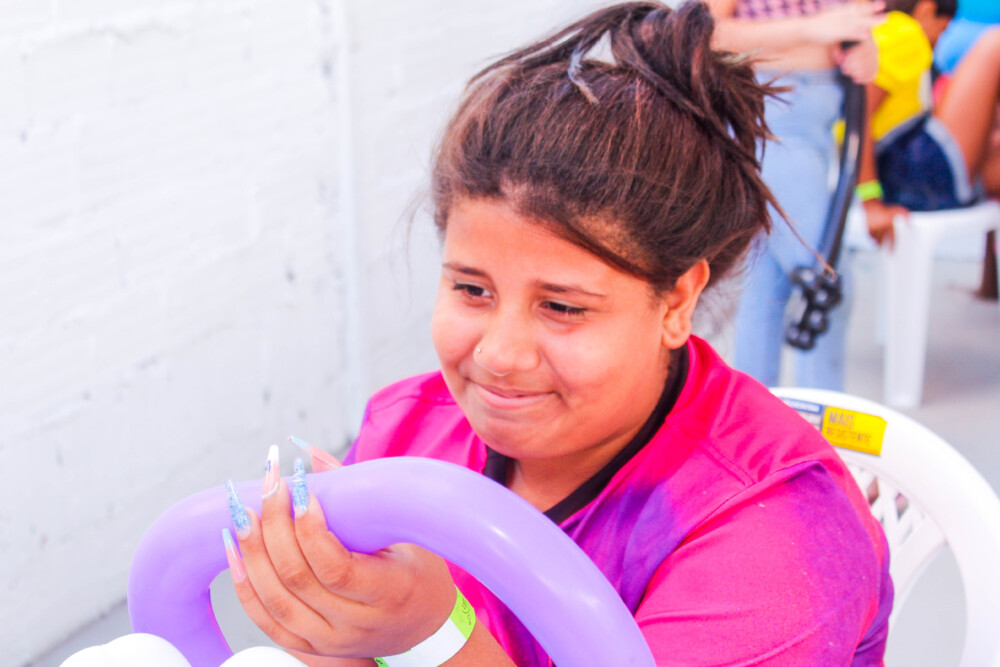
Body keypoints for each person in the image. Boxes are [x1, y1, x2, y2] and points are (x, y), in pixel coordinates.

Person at [222, 3, 893, 665]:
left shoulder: (774, 530)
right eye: (471, 290)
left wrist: (428, 634)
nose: (498, 355)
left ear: (676, 299)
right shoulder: (408, 433)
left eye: (563, 307)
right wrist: (331, 619)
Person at [704, 0, 882, 390]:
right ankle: (821, 421)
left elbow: (847, 23)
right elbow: (706, 31)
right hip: (774, 114)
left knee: (766, 287)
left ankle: (752, 417)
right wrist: (812, 29)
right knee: (825, 289)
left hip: (814, 117)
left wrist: (862, 48)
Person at [858, 0, 1000, 251]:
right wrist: (870, 203)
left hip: (901, 178)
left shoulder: (877, 33)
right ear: (926, 11)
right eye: (942, 31)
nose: (938, 44)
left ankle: (989, 273)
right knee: (995, 43)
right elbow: (859, 116)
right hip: (908, 176)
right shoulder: (906, 33)